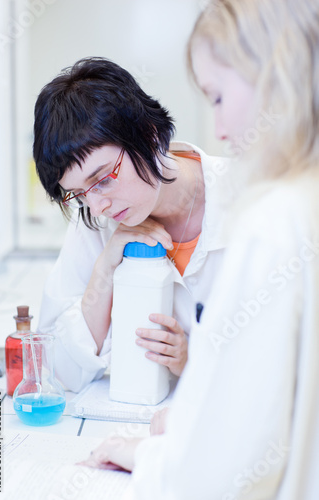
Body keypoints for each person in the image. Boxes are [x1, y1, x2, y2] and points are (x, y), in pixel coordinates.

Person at [80, 1, 319, 498]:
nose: (219, 130)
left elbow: (229, 462)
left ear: (273, 76)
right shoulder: (303, 199)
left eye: (216, 96)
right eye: (80, 192)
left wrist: (156, 451)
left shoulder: (272, 220)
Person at [33, 56, 231, 392]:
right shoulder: (96, 223)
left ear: (149, 136)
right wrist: (106, 268)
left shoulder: (248, 198)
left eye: (104, 178)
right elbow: (54, 370)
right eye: (78, 195)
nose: (96, 208)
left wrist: (191, 364)